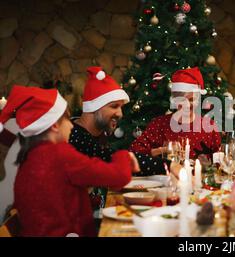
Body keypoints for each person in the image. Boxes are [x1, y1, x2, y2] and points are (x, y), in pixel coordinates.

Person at [0, 85, 140, 236]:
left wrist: (85, 200)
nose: (72, 126)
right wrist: (124, 156)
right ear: (54, 125)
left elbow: (53, 200)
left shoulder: (29, 157)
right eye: (67, 119)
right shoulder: (60, 154)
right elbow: (119, 177)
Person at [70, 67, 165, 224]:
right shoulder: (77, 137)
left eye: (121, 107)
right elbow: (114, 160)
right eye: (114, 106)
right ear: (94, 107)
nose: (120, 114)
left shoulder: (96, 134)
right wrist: (169, 165)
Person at [130, 67, 221, 177]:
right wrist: (162, 150)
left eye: (191, 99)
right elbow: (135, 153)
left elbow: (218, 163)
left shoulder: (209, 126)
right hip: (166, 183)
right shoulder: (159, 124)